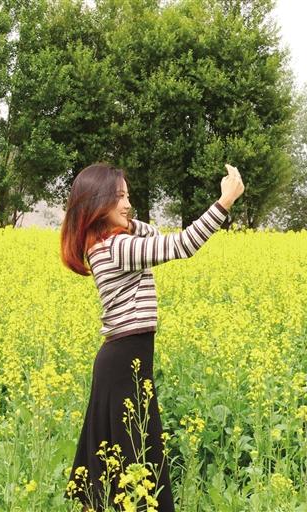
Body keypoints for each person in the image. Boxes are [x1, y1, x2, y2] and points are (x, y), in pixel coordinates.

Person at [59, 162, 244, 511]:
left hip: (125, 362)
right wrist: (224, 203)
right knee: (135, 462)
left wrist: (124, 218)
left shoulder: (111, 242)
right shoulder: (116, 248)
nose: (128, 204)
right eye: (119, 197)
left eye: (127, 196)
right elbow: (181, 245)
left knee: (131, 460)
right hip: (122, 365)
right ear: (98, 202)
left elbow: (152, 234)